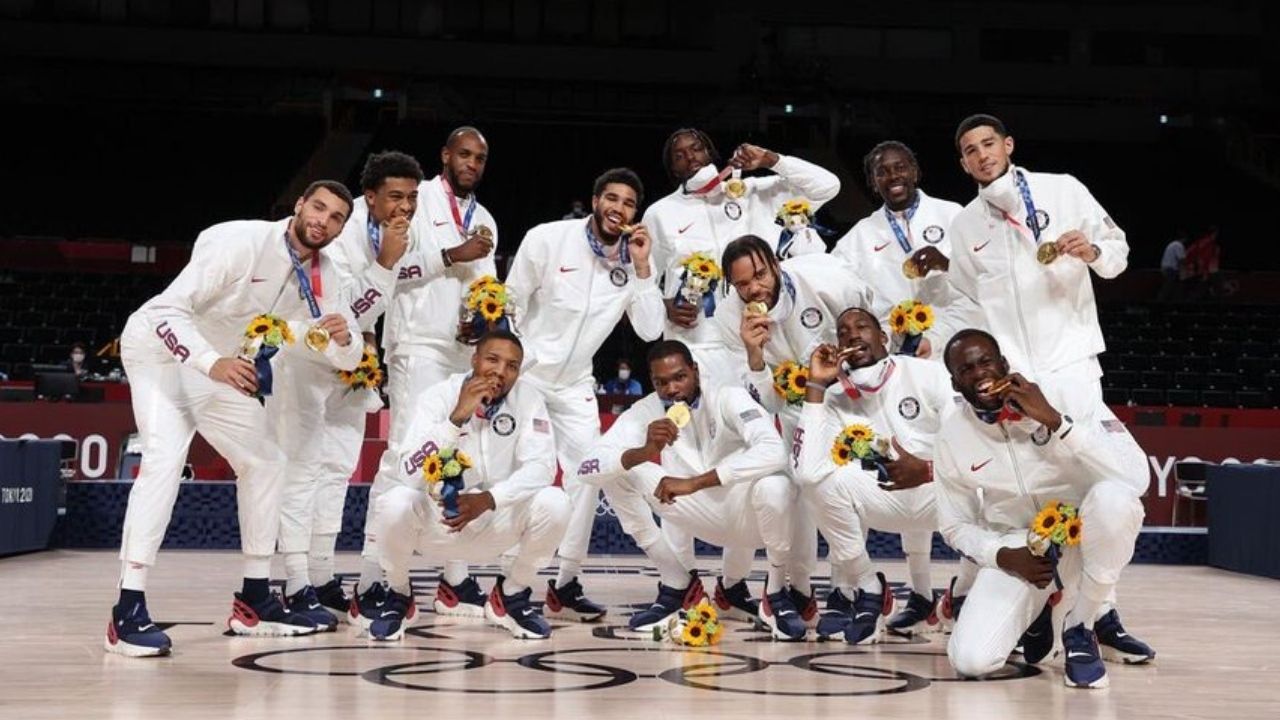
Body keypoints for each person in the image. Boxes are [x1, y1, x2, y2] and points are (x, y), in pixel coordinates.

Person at [105, 181, 362, 657]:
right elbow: (166, 311)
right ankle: (127, 609)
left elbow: (347, 357)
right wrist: (211, 362)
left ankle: (255, 600)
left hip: (221, 367)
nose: (322, 221)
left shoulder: (327, 274)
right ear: (300, 205)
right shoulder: (241, 242)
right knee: (164, 461)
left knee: (266, 463)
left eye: (335, 218)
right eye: (318, 207)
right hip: (163, 354)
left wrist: (345, 339)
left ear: (341, 229)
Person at [936, 329, 1156, 688]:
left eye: (985, 362)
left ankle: (1080, 625)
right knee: (972, 660)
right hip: (1022, 549)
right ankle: (1046, 609)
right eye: (966, 369)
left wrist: (1056, 421)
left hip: (1082, 533)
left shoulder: (1069, 394)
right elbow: (954, 525)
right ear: (955, 383)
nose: (979, 373)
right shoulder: (952, 435)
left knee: (1115, 500)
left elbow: (1135, 478)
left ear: (1003, 363)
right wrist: (1001, 554)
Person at [505, 167, 663, 622]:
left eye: (629, 203)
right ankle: (510, 581)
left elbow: (651, 329)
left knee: (587, 477)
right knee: (526, 473)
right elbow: (509, 302)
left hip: (575, 383)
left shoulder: (633, 262)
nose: (618, 209)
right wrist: (518, 363)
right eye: (611, 198)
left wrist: (643, 268)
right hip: (529, 377)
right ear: (595, 201)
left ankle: (564, 583)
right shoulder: (547, 238)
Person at [354, 129, 498, 624]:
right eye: (464, 154)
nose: (472, 163)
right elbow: (394, 270)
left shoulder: (486, 219)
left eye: (480, 158)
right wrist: (453, 254)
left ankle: (454, 580)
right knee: (402, 458)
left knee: (458, 459)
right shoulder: (415, 201)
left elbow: (486, 287)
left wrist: (483, 321)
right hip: (417, 346)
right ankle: (371, 579)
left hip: (464, 354)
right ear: (446, 155)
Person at [272, 150, 421, 625]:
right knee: (303, 473)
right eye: (395, 196)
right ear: (370, 197)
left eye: (412, 197)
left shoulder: (396, 232)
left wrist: (371, 345)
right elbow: (342, 311)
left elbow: (367, 317)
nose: (405, 206)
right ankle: (295, 581)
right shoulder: (341, 230)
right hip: (305, 361)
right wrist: (386, 263)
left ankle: (320, 577)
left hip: (353, 364)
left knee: (336, 470)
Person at [576, 340, 808, 639]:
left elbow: (774, 451)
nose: (672, 389)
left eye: (680, 377)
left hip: (745, 515)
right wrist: (643, 452)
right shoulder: (647, 410)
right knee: (617, 470)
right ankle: (677, 583)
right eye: (661, 382)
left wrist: (695, 482)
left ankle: (775, 594)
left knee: (775, 485)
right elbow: (586, 468)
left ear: (695, 371)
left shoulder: (727, 396)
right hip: (692, 510)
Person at [714, 234, 875, 620]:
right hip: (790, 409)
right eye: (742, 284)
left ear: (775, 263)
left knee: (847, 491)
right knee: (795, 492)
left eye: (760, 275)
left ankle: (846, 587)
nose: (754, 289)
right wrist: (754, 355)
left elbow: (874, 326)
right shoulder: (728, 317)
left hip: (847, 399)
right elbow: (767, 401)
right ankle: (798, 587)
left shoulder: (825, 279)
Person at [792, 307, 976, 644]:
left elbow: (970, 444)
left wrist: (927, 470)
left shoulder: (927, 373)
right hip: (882, 497)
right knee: (817, 484)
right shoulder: (834, 396)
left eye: (862, 326)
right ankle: (867, 587)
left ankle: (963, 592)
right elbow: (806, 471)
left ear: (883, 337)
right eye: (843, 332)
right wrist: (816, 385)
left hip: (940, 493)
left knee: (987, 483)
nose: (852, 334)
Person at [374, 331, 569, 640]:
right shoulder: (438, 396)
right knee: (394, 501)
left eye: (512, 366)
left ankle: (512, 594)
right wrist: (456, 419)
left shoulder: (528, 399)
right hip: (440, 523)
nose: (501, 371)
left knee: (555, 502)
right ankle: (399, 595)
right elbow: (408, 472)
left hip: (495, 521)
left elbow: (542, 467)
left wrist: (490, 499)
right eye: (492, 360)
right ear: (474, 359)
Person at [946, 114, 1128, 405]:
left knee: (1081, 434)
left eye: (989, 144)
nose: (982, 155)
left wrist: (1093, 252)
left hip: (1072, 360)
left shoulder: (1063, 189)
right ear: (964, 164)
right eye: (971, 151)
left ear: (1008, 145)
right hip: (1012, 370)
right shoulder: (964, 225)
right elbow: (966, 300)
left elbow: (1117, 251)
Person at [646, 128, 841, 391]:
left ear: (710, 152)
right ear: (673, 169)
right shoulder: (660, 213)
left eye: (696, 148)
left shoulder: (755, 193)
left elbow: (828, 186)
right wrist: (663, 306)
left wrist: (771, 159)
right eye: (679, 155)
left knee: (763, 409)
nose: (690, 157)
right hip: (698, 341)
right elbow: (642, 277)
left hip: (763, 336)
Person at [832, 141, 963, 359]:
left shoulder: (952, 214)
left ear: (915, 172)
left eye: (900, 167)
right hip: (898, 351)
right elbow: (841, 294)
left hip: (952, 337)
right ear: (873, 183)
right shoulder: (857, 239)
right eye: (882, 172)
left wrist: (946, 264)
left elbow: (979, 276)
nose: (893, 176)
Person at [1158, 230, 1187, 303]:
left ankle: (1173, 302)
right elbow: (1181, 260)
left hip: (1165, 268)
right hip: (1170, 269)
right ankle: (1159, 303)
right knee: (1169, 287)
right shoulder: (1178, 245)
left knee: (1173, 287)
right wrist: (1184, 271)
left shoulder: (1172, 244)